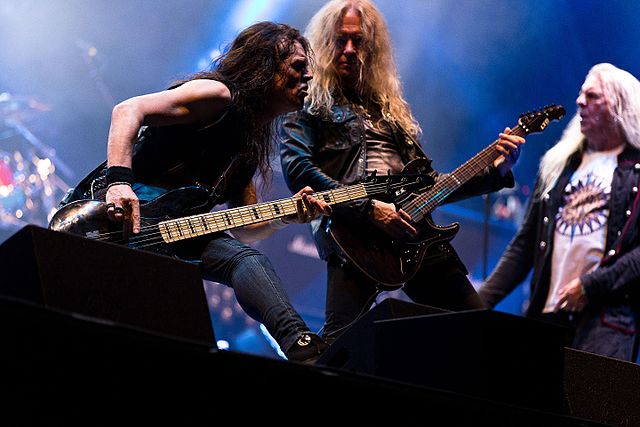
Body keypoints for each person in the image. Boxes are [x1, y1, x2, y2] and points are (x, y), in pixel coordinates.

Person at [59, 22, 332, 363]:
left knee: (245, 260)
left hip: (172, 233)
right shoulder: (218, 95)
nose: (308, 77)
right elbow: (128, 110)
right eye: (297, 66)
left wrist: (286, 217)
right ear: (266, 67)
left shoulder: (249, 144)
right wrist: (118, 182)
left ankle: (302, 346)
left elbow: (245, 228)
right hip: (113, 219)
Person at [279, 0, 525, 343]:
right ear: (324, 44)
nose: (349, 50)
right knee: (340, 346)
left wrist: (496, 171)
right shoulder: (309, 103)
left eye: (359, 41)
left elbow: (432, 187)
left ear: (373, 47)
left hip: (415, 233)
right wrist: (369, 210)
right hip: (354, 236)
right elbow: (297, 168)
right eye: (340, 40)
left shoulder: (391, 113)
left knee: (477, 328)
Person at [478, 63, 640, 362]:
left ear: (619, 104)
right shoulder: (558, 165)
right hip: (547, 315)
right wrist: (474, 304)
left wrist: (591, 286)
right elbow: (524, 246)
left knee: (591, 406)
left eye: (592, 96)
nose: (579, 101)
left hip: (605, 322)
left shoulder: (636, 170)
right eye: (580, 94)